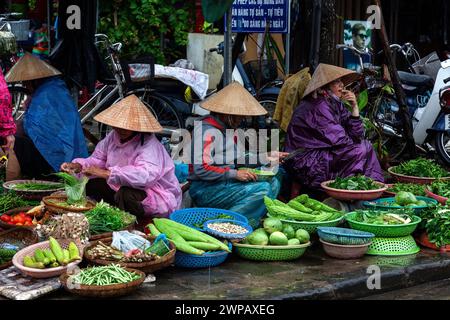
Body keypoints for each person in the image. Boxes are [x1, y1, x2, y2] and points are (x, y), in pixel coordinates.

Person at [61, 94, 182, 220]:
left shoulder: (148, 144)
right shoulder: (113, 137)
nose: (120, 130)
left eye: (126, 127)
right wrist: (79, 166)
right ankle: (108, 214)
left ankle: (133, 222)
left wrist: (107, 173)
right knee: (90, 183)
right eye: (117, 125)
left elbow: (145, 176)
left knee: (126, 195)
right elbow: (98, 159)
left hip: (156, 193)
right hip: (121, 185)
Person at [188, 82, 287, 228]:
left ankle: (247, 221)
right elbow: (201, 169)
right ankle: (225, 226)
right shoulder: (205, 131)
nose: (241, 120)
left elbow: (238, 159)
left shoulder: (226, 130)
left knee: (275, 178)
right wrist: (235, 174)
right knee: (263, 189)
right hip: (204, 189)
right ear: (228, 114)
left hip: (222, 183)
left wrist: (266, 157)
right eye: (239, 116)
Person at [284, 63, 384, 190]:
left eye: (341, 81)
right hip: (305, 161)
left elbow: (356, 135)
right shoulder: (318, 106)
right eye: (337, 82)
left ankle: (370, 188)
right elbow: (341, 140)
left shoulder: (333, 102)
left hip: (320, 153)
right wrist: (357, 144)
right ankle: (354, 191)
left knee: (364, 146)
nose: (342, 85)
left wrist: (354, 107)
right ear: (325, 88)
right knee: (360, 150)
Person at [4, 53, 88, 179]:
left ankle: (12, 184)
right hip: (73, 155)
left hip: (56, 160)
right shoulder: (58, 87)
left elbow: (30, 129)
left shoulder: (44, 96)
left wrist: (12, 127)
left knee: (15, 144)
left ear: (33, 80)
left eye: (26, 83)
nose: (25, 86)